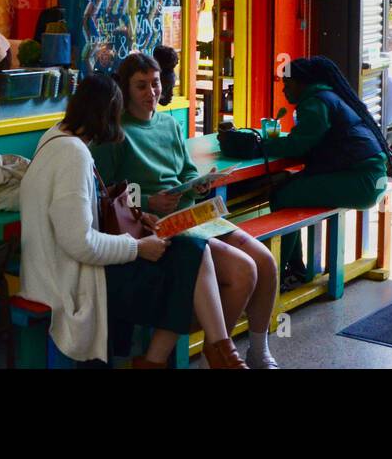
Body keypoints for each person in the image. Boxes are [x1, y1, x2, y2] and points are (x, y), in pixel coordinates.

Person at [19, 74, 246, 368]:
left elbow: (79, 221)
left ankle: (209, 354)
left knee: (192, 253)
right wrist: (138, 248)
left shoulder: (54, 139)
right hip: (70, 281)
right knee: (185, 268)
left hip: (57, 269)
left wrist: (139, 218)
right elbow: (79, 243)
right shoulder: (73, 154)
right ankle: (203, 356)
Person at [94, 54, 274, 367]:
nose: (151, 92)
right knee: (244, 271)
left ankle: (258, 352)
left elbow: (186, 170)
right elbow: (104, 194)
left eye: (155, 83)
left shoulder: (168, 123)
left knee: (266, 262)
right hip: (158, 226)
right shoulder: (114, 132)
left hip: (194, 215)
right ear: (124, 88)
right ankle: (218, 353)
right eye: (141, 86)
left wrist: (198, 183)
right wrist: (149, 202)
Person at [264, 56, 392, 290]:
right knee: (288, 190)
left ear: (301, 83)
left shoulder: (314, 102)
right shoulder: (328, 97)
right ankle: (295, 269)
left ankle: (277, 274)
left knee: (283, 197)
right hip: (370, 177)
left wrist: (260, 146)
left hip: (361, 182)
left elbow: (299, 145)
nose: (283, 90)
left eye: (287, 84)